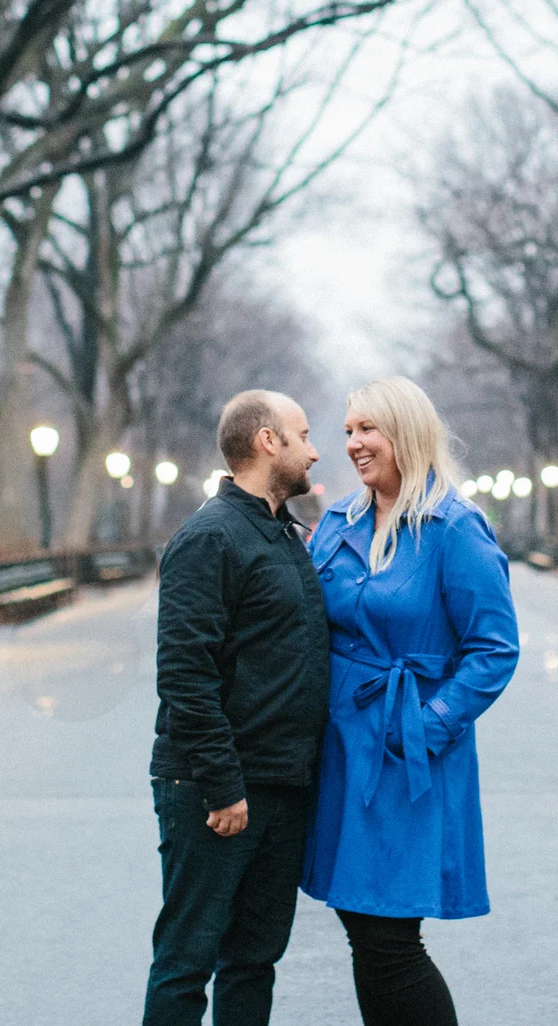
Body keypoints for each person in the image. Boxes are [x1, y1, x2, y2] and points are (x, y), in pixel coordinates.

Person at [302, 377, 519, 1026]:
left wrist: (428, 725)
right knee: (364, 930)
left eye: (368, 429)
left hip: (407, 755)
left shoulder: (454, 528)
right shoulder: (338, 523)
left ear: (407, 432)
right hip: (340, 748)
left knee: (390, 938)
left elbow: (494, 649)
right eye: (347, 432)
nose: (354, 444)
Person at [144, 389, 329, 1026]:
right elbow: (185, 674)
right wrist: (223, 786)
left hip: (280, 786)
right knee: (187, 959)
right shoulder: (209, 538)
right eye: (303, 435)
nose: (315, 450)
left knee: (254, 959)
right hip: (215, 790)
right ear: (267, 441)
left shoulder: (282, 533)